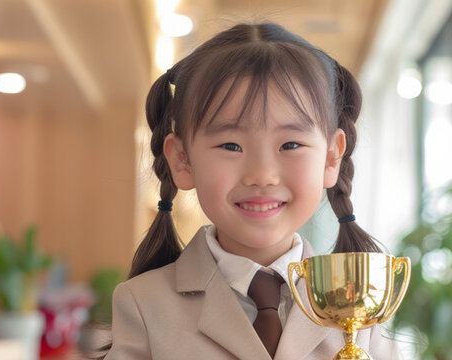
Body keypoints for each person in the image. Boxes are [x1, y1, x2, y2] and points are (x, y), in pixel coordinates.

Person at [103, 22, 402, 360]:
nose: (262, 175)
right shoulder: (144, 303)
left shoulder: (361, 301)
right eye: (231, 145)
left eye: (290, 144)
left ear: (331, 157)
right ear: (183, 160)